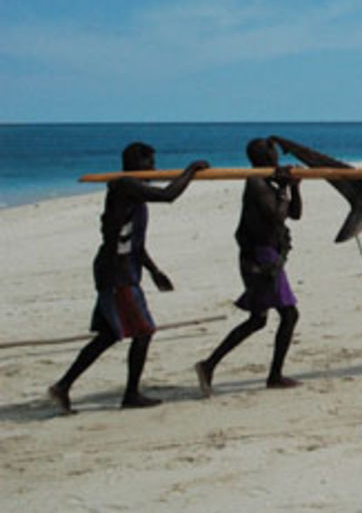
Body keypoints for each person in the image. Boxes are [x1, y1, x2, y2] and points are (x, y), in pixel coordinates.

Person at [48, 143, 209, 414]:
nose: (154, 169)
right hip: (117, 274)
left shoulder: (132, 192)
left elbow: (132, 240)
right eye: (150, 164)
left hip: (123, 269)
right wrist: (191, 170)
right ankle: (130, 394)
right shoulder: (125, 186)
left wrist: (153, 270)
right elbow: (168, 195)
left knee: (109, 334)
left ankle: (63, 386)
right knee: (144, 331)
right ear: (137, 163)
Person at [195, 138, 302, 396]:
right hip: (261, 257)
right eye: (273, 153)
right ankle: (273, 376)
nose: (277, 157)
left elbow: (295, 214)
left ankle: (209, 365)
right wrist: (284, 188)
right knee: (288, 315)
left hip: (269, 254)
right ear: (265, 157)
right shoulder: (255, 182)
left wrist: (294, 188)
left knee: (258, 320)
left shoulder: (268, 181)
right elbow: (276, 214)